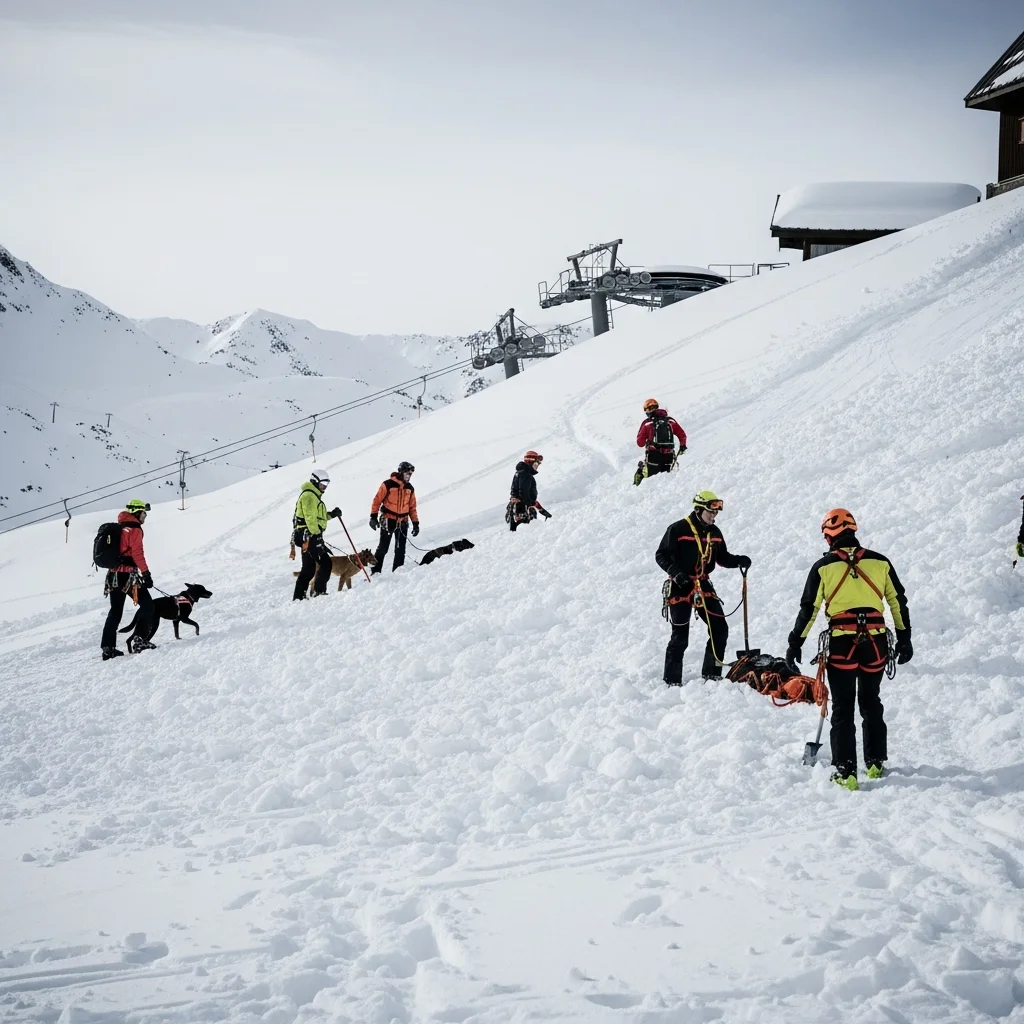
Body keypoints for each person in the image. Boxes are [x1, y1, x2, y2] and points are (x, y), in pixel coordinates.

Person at [785, 509, 912, 789]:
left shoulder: (823, 567)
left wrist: (795, 643)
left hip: (842, 644)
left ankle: (846, 772)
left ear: (829, 535)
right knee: (871, 701)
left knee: (842, 708)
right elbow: (897, 602)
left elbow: (809, 609)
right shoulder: (880, 562)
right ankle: (876, 762)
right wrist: (905, 638)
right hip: (876, 645)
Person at [655, 490, 750, 685]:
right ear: (698, 510)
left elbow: (722, 558)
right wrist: (676, 573)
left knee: (720, 628)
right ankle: (672, 680)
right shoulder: (678, 529)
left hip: (703, 583)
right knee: (680, 635)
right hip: (680, 585)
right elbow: (661, 555)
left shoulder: (715, 532)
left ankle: (712, 674)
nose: (714, 516)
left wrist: (739, 560)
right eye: (711, 511)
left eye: (716, 513)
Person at [100, 498, 156, 659]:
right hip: (127, 576)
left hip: (113, 576)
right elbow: (138, 554)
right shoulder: (135, 530)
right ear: (136, 512)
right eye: (144, 513)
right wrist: (146, 574)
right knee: (148, 606)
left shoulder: (120, 527)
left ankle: (108, 647)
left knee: (115, 611)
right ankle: (139, 639)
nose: (145, 516)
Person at [292, 470, 343, 600]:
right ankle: (318, 593)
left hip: (306, 536)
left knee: (308, 568)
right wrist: (316, 536)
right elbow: (310, 519)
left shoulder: (313, 496)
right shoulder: (309, 496)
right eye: (322, 483)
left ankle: (299, 597)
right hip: (309, 536)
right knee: (326, 562)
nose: (325, 486)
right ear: (315, 481)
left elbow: (318, 517)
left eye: (327, 483)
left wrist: (331, 514)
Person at [370, 461, 419, 572]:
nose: (409, 476)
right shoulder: (388, 484)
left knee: (400, 549)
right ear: (400, 472)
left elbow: (412, 507)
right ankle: (375, 572)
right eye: (407, 473)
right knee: (383, 548)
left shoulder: (410, 488)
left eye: (410, 474)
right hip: (388, 520)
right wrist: (373, 517)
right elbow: (377, 501)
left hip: (403, 522)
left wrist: (416, 523)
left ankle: (397, 573)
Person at [634, 399, 687, 485]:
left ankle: (636, 489)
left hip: (653, 456)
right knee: (666, 482)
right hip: (669, 457)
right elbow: (682, 434)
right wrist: (682, 446)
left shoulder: (647, 423)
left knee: (647, 481)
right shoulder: (670, 421)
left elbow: (640, 443)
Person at [507, 451, 552, 531]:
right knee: (526, 533)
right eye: (535, 464)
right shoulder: (526, 473)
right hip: (523, 510)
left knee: (516, 533)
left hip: (518, 508)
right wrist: (531, 503)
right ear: (530, 462)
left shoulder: (519, 473)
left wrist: (535, 504)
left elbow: (516, 491)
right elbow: (523, 492)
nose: (537, 467)